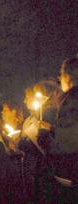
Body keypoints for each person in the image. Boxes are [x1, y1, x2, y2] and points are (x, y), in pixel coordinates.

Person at [39, 57, 78, 202]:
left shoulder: (72, 99)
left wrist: (45, 138)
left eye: (61, 74)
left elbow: (68, 142)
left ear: (68, 76)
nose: (59, 78)